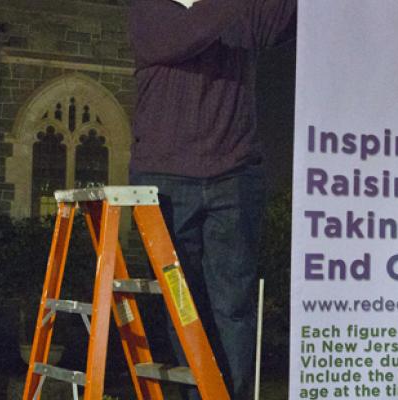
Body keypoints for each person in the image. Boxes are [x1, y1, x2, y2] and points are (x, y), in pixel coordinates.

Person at [127, 0, 295, 398]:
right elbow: (185, 34)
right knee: (183, 307)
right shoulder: (149, 8)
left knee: (234, 307)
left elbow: (286, 20)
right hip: (164, 178)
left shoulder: (234, 13)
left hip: (233, 176)